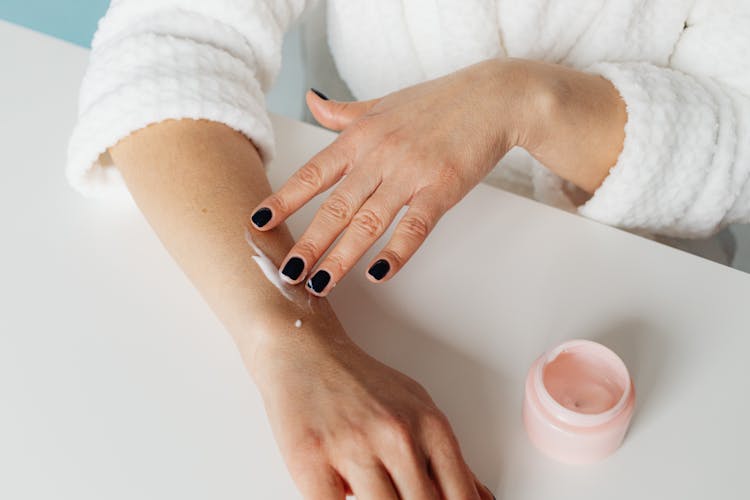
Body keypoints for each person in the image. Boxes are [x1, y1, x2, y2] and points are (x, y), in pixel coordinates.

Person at [67, 1, 750, 498]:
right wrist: (288, 337)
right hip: (372, 267)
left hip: (658, 290)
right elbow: (167, 41)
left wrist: (527, 100)